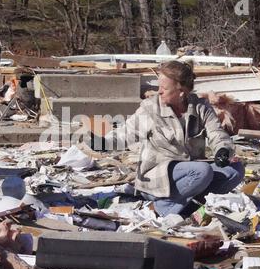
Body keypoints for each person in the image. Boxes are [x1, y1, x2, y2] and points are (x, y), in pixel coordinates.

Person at [89, 61, 244, 217]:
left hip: (191, 176)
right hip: (157, 178)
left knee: (235, 171)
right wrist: (103, 143)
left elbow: (217, 133)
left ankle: (190, 207)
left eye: (164, 88)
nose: (159, 92)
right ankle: (161, 208)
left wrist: (223, 150)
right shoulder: (150, 108)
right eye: (159, 87)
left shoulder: (200, 108)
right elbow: (126, 132)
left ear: (181, 91)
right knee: (201, 172)